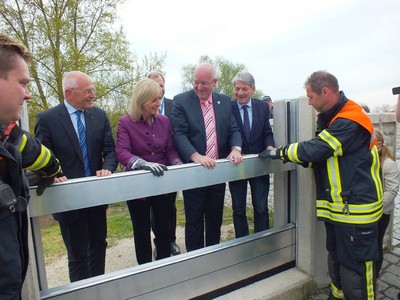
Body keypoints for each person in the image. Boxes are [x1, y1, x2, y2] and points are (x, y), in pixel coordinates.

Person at [259, 71, 383, 299]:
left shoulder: (350, 119)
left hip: (356, 213)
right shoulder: (334, 117)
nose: (309, 102)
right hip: (340, 211)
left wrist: (280, 152)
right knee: (337, 264)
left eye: (311, 97)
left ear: (325, 92)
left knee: (356, 273)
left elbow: (316, 149)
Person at [34, 71, 117, 282]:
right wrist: (53, 175)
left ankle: (98, 289)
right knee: (78, 255)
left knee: (99, 245)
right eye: (88, 91)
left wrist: (107, 168)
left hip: (96, 197)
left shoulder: (99, 115)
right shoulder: (47, 119)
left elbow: (110, 151)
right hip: (68, 201)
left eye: (93, 90)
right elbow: (41, 157)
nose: (93, 95)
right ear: (69, 93)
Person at [0, 32, 63, 300]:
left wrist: (53, 171)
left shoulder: (10, 135)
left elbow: (40, 155)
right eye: (23, 83)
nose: (28, 94)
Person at [170, 62, 243, 251]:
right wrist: (195, 156)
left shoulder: (224, 101)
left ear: (214, 82)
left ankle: (213, 255)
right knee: (194, 220)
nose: (199, 87)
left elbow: (233, 128)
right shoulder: (181, 101)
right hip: (194, 171)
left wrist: (236, 149)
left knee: (214, 218)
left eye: (204, 83)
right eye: (196, 82)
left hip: (217, 172)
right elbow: (179, 134)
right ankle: (195, 260)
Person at [115, 78, 182, 264]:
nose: (158, 104)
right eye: (154, 100)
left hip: (162, 185)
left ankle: (163, 266)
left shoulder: (164, 121)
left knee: (163, 229)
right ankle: (144, 270)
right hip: (137, 186)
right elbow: (121, 151)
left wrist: (177, 164)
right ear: (141, 100)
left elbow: (170, 149)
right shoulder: (125, 123)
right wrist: (141, 163)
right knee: (141, 230)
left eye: (159, 99)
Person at [229, 72, 275, 238]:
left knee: (261, 206)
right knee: (239, 208)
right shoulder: (229, 107)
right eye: (237, 88)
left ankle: (262, 241)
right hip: (237, 164)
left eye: (244, 89)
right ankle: (242, 243)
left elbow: (267, 132)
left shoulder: (262, 107)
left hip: (259, 164)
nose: (240, 92)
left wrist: (270, 146)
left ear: (253, 89)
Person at [146, 71, 180, 256]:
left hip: (170, 165)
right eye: (154, 85)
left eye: (161, 84)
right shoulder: (140, 109)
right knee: (154, 208)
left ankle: (171, 241)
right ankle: (159, 242)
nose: (159, 88)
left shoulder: (175, 106)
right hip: (150, 168)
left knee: (170, 206)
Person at [375, 129, 400, 276]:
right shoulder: (370, 158)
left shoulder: (388, 163)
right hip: (369, 211)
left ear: (378, 143)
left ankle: (375, 276)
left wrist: (375, 207)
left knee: (376, 243)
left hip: (381, 212)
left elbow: (392, 191)